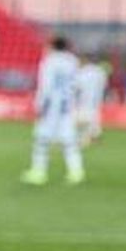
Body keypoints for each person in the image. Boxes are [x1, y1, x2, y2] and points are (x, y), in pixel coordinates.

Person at [22, 36, 84, 186]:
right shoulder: (73, 62)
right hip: (66, 105)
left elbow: (46, 86)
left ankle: (39, 172)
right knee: (69, 140)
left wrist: (40, 106)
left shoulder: (49, 62)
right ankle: (76, 172)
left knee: (41, 139)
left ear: (53, 47)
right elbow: (77, 85)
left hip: (51, 106)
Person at [75, 57, 109, 146]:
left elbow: (77, 86)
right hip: (96, 100)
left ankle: (83, 139)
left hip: (84, 100)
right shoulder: (101, 72)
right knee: (94, 119)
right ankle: (94, 138)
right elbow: (105, 85)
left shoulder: (82, 72)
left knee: (81, 120)